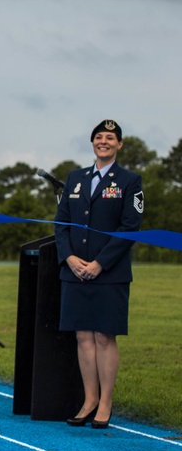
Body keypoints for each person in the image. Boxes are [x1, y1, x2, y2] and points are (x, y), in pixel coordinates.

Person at [55, 119, 143, 430]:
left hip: (110, 272)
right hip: (76, 271)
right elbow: (61, 222)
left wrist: (100, 263)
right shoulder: (75, 178)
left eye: (110, 137)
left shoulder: (130, 181)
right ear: (92, 143)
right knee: (83, 336)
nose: (103, 141)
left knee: (104, 336)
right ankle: (89, 400)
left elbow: (130, 227)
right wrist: (69, 258)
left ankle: (105, 402)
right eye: (98, 137)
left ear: (119, 144)